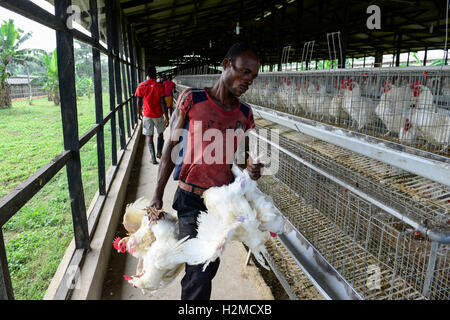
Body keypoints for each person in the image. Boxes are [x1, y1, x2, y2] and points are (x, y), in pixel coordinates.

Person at [149, 42, 263, 300]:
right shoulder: (193, 99)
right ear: (226, 65)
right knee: (200, 270)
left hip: (221, 204)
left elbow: (243, 156)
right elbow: (171, 145)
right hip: (190, 198)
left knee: (206, 267)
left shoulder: (244, 114)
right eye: (244, 71)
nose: (248, 81)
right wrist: (157, 194)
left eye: (253, 77)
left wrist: (252, 168)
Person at [135, 66, 169, 164]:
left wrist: (139, 112)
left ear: (147, 74)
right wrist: (166, 116)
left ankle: (153, 157)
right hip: (158, 114)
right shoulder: (160, 86)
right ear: (155, 74)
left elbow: (139, 101)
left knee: (149, 136)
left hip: (147, 114)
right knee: (160, 133)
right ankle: (159, 152)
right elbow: (163, 103)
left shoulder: (141, 86)